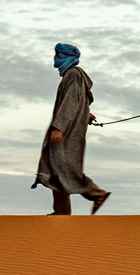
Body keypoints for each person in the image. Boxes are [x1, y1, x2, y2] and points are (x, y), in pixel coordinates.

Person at [32, 42, 110, 214]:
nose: (55, 58)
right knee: (56, 171)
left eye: (57, 55)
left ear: (64, 56)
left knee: (64, 168)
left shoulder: (73, 74)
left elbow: (70, 101)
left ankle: (96, 194)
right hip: (68, 127)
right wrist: (86, 114)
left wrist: (58, 127)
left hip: (65, 131)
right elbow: (79, 100)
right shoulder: (73, 75)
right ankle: (61, 213)